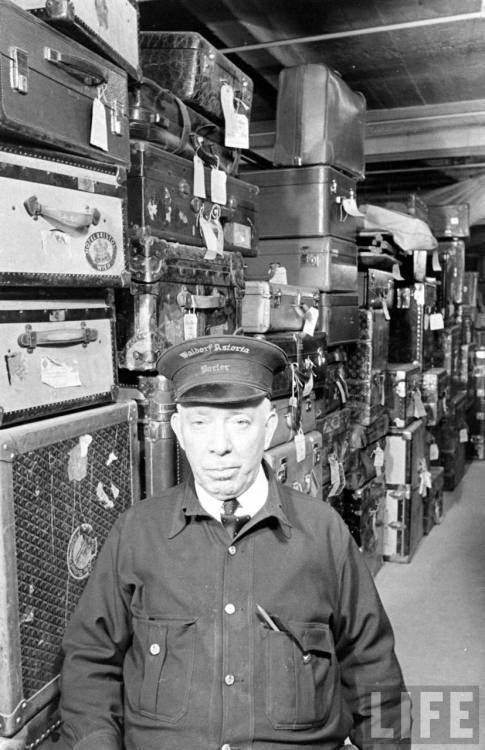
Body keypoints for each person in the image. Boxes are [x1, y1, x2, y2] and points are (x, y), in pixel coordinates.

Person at [56, 335, 411, 750]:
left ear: (270, 426)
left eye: (240, 422)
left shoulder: (325, 535)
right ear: (179, 432)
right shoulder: (136, 534)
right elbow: (89, 662)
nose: (219, 445)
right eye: (200, 422)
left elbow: (376, 678)